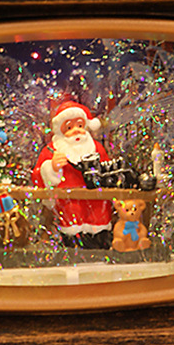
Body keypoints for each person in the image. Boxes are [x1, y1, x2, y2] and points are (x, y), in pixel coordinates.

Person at [31, 100, 112, 249]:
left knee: (99, 227)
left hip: (97, 204)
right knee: (72, 224)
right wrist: (51, 167)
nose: (76, 131)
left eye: (80, 125)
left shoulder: (96, 147)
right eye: (69, 127)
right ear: (61, 130)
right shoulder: (52, 150)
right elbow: (36, 177)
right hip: (68, 206)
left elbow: (108, 170)